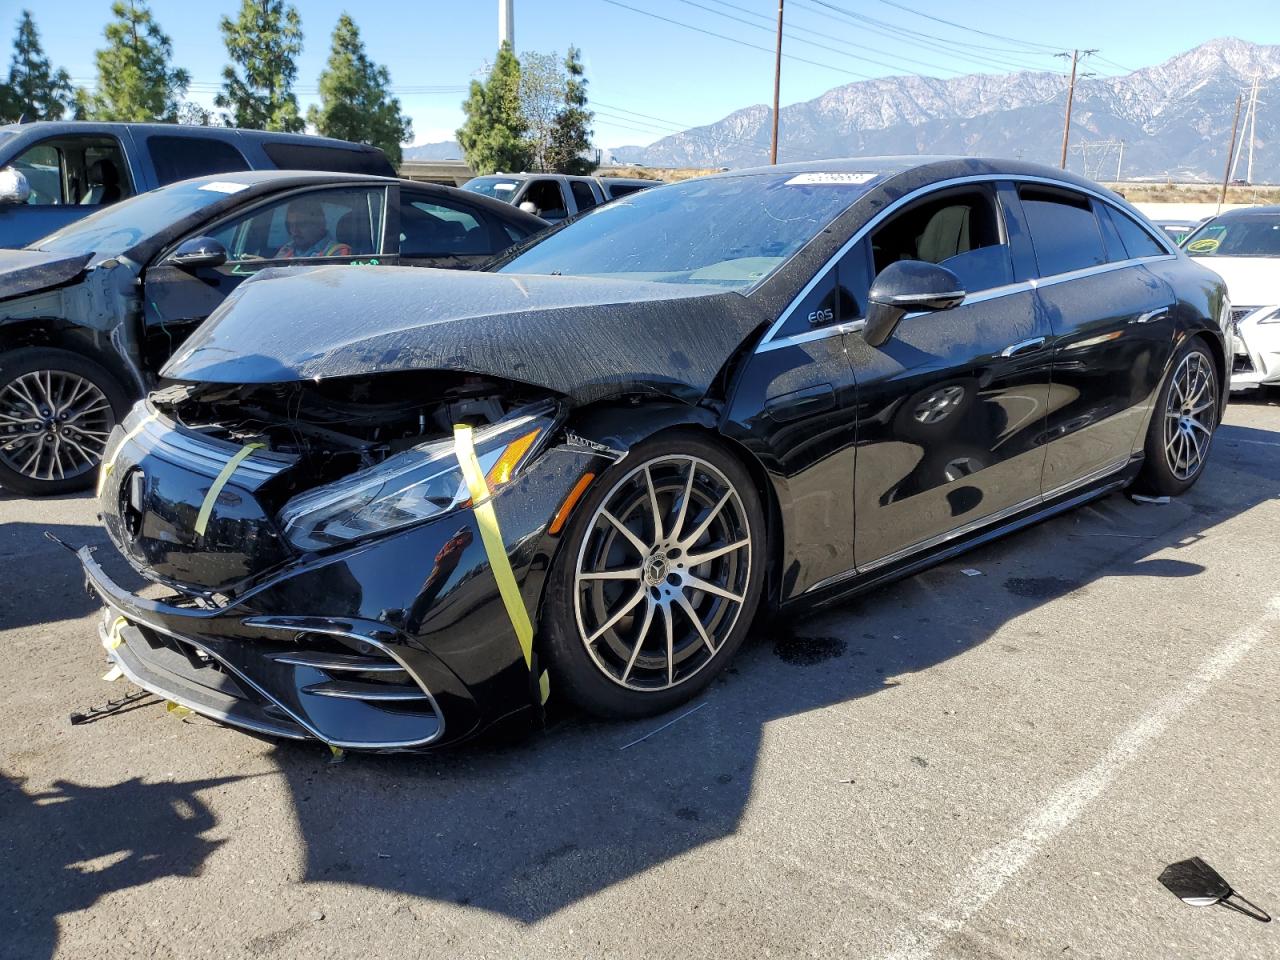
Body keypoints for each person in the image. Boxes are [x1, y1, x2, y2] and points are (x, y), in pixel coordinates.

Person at [274, 198, 351, 258]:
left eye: (301, 224)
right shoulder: (287, 249)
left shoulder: (338, 252)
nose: (294, 231)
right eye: (291, 225)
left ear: (320, 224)